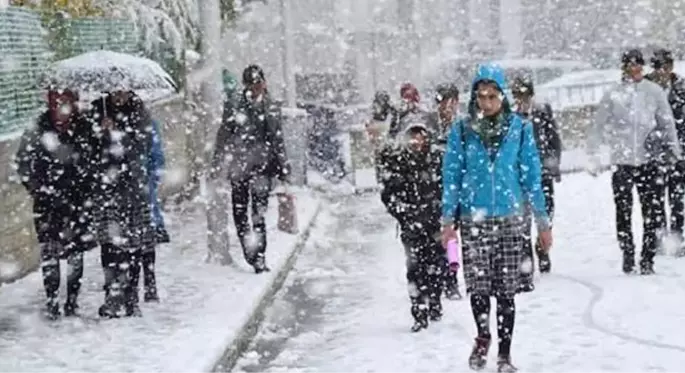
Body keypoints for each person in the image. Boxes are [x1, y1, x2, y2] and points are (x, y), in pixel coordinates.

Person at [441, 63, 552, 372]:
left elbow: (532, 177)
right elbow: (451, 176)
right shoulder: (462, 131)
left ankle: (504, 353)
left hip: (510, 218)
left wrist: (543, 223)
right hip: (474, 220)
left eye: (492, 96)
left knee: (505, 290)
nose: (486, 103)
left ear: (503, 96)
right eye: (481, 96)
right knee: (478, 288)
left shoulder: (520, 129)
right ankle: (483, 336)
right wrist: (447, 221)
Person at [587, 49, 682, 275]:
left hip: (648, 160)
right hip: (622, 160)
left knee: (651, 211)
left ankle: (647, 257)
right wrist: (593, 154)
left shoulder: (653, 91)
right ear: (623, 68)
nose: (634, 70)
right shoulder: (613, 94)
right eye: (629, 66)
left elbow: (667, 122)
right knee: (623, 210)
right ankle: (627, 251)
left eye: (637, 66)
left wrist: (674, 151)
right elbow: (599, 125)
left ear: (642, 68)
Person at [15, 88, 98, 320]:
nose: (61, 107)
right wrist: (36, 187)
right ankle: (52, 299)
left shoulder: (84, 127)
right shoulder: (38, 128)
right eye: (56, 102)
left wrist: (85, 182)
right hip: (47, 203)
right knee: (50, 252)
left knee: (75, 253)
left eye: (65, 102)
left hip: (77, 203)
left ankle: (72, 300)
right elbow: (23, 161)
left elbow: (94, 160)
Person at [210, 64, 290, 273]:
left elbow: (277, 138)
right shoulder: (235, 106)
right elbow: (224, 135)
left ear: (264, 83)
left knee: (259, 213)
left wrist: (283, 166)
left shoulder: (271, 106)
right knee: (240, 211)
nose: (256, 88)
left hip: (263, 167)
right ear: (246, 86)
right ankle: (250, 251)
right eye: (252, 85)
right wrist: (217, 163)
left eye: (259, 83)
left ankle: (259, 256)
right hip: (240, 167)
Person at [90, 89, 156, 318]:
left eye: (123, 91)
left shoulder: (139, 111)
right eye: (115, 91)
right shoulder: (98, 109)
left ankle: (131, 296)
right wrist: (100, 132)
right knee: (109, 245)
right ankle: (111, 295)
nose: (120, 96)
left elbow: (143, 145)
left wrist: (117, 133)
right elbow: (88, 149)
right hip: (107, 188)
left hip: (133, 189)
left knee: (133, 245)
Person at [379, 123, 445, 332]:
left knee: (436, 265)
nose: (417, 143)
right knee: (415, 269)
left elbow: (448, 188)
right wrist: (404, 214)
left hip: (435, 224)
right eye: (413, 138)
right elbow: (389, 195)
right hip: (411, 226)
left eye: (421, 137)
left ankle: (435, 301)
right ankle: (419, 310)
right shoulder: (398, 163)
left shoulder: (436, 161)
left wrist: (443, 211)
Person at [511, 75, 562, 283]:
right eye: (518, 95)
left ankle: (542, 249)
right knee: (522, 221)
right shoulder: (511, 118)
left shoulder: (542, 112)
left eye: (525, 95)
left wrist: (553, 164)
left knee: (546, 215)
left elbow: (554, 140)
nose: (522, 99)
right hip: (520, 178)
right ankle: (525, 264)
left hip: (542, 174)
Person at [645, 49, 685, 255]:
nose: (663, 71)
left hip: (679, 152)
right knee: (655, 199)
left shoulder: (681, 88)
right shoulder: (644, 90)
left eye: (666, 67)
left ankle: (677, 238)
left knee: (678, 198)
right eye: (659, 67)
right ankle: (659, 238)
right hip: (652, 154)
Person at [129, 117, 169, 307]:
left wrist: (150, 179)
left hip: (143, 188)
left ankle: (150, 282)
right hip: (123, 191)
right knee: (132, 241)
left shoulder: (145, 123)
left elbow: (157, 156)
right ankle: (133, 287)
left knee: (146, 237)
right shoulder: (107, 119)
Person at [431, 83, 462, 300]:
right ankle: (438, 279)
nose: (447, 107)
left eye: (451, 101)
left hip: (456, 188)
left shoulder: (463, 127)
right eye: (443, 101)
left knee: (452, 235)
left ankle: (452, 279)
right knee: (437, 236)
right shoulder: (430, 126)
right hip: (433, 189)